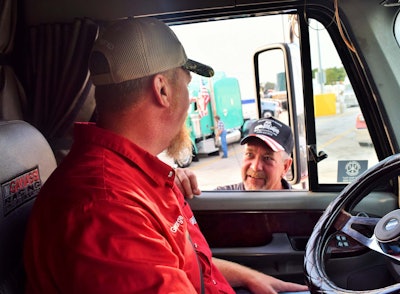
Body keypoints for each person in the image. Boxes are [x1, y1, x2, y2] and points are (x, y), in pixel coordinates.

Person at [24, 17, 308, 294]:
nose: (190, 99)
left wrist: (248, 276)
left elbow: (180, 263)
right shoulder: (105, 207)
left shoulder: (137, 175)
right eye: (186, 85)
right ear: (162, 90)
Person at [217, 117, 293, 190]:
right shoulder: (218, 199)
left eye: (267, 158)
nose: (255, 167)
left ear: (285, 167)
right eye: (249, 154)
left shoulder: (299, 202)